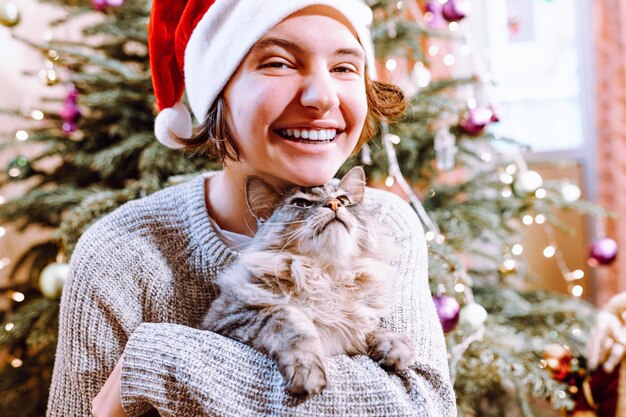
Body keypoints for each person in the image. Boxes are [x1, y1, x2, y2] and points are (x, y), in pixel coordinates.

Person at [46, 0, 457, 416]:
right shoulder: (120, 251)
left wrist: (165, 361)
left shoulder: (384, 223)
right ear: (217, 90)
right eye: (279, 63)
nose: (323, 97)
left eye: (345, 68)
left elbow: (421, 406)